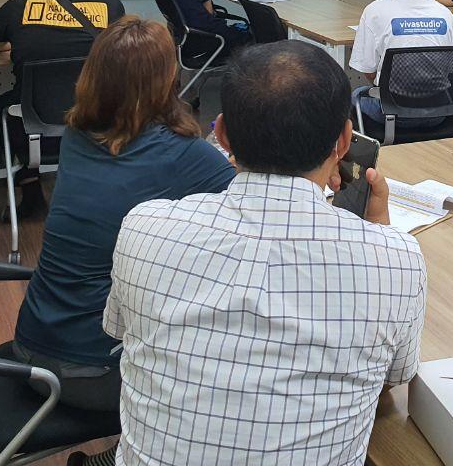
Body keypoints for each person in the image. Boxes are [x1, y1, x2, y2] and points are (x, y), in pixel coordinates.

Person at [97, 41, 425, 466]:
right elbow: (392, 377)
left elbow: (121, 331)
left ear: (221, 135)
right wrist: (379, 234)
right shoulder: (397, 258)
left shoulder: (144, 227)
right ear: (344, 141)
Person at [12, 16, 235, 427]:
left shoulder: (77, 133)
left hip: (32, 343)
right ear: (167, 81)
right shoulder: (181, 154)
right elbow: (253, 201)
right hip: (91, 370)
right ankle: (132, 449)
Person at [0, 0, 125, 215]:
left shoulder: (18, 6)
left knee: (5, 106)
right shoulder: (109, 3)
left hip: (36, 128)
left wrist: (18, 40)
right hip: (96, 123)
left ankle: (30, 186)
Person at [350, 0, 453, 130]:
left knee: (356, 95)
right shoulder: (445, 15)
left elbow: (368, 69)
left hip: (390, 113)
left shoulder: (375, 11)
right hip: (439, 111)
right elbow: (452, 69)